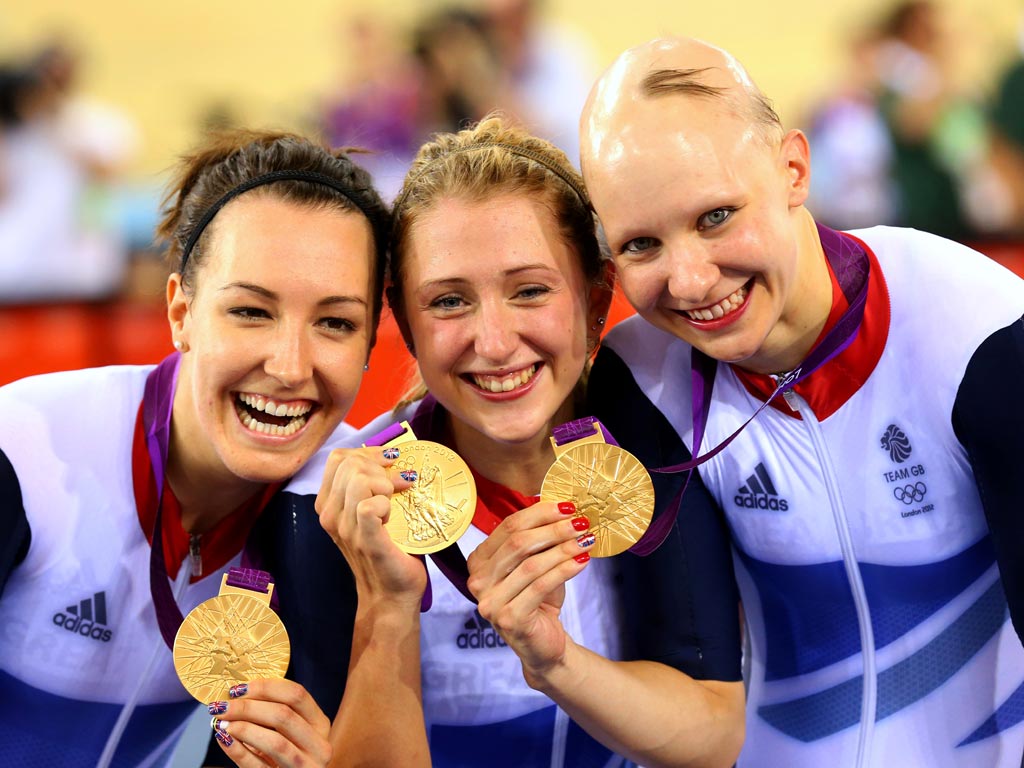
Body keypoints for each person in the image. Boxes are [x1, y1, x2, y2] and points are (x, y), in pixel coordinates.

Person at [580, 35, 1024, 767]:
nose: (689, 282)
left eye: (716, 216)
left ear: (793, 168)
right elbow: (694, 692)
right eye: (640, 246)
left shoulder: (977, 331)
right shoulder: (641, 383)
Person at [271, 114, 744, 768]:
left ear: (597, 299)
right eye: (447, 302)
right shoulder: (342, 510)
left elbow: (714, 737)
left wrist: (555, 662)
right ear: (404, 322)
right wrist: (389, 608)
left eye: (529, 291)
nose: (493, 344)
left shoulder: (660, 444)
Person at [0, 128, 390, 767]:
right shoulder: (25, 450)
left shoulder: (340, 510)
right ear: (181, 312)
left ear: (372, 343)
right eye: (251, 312)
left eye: (335, 323)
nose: (290, 367)